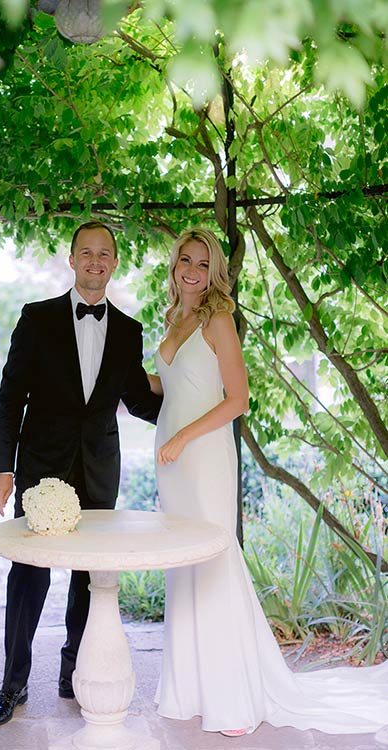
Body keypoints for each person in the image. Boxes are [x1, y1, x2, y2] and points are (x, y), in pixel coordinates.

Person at [147, 227, 388, 737]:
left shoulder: (219, 320)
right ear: (174, 266)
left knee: (212, 563)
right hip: (170, 460)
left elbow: (237, 400)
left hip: (202, 454)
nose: (191, 270)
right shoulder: (173, 318)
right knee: (182, 568)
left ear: (213, 272)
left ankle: (232, 699)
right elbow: (168, 385)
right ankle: (189, 689)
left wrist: (184, 437)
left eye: (201, 263)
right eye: (184, 260)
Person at [0, 220, 162, 727]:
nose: (95, 261)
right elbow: (10, 398)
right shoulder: (36, 319)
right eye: (86, 252)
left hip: (99, 468)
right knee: (29, 575)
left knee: (89, 580)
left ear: (114, 262)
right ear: (72, 259)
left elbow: (137, 401)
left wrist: (189, 406)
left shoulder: (129, 331)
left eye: (104, 253)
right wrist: (4, 468)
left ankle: (73, 673)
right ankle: (12, 684)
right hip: (40, 468)